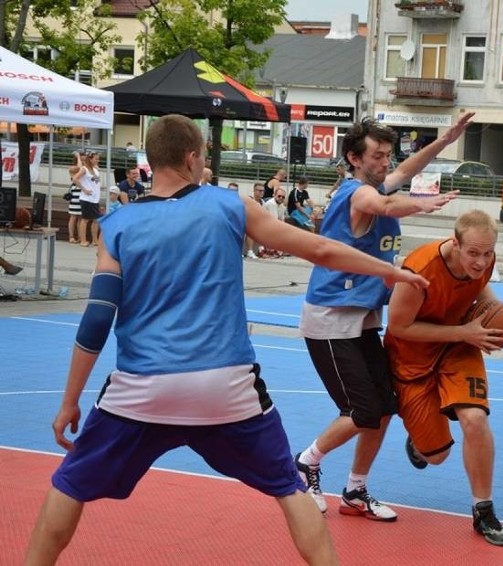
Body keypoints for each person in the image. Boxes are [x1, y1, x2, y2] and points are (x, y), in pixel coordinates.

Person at [24, 113, 429, 565]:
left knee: (70, 484)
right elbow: (319, 250)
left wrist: (69, 401)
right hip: (226, 388)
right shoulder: (229, 205)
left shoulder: (118, 225)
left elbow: (97, 320)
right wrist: (390, 270)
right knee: (289, 489)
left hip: (142, 390)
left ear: (150, 160)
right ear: (193, 158)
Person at [293, 113, 470, 521]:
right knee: (361, 411)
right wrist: (422, 204)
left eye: (388, 155)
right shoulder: (357, 195)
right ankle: (305, 463)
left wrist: (445, 141)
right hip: (331, 317)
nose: (386, 162)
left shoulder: (377, 184)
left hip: (362, 316)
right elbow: (385, 203)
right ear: (354, 158)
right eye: (377, 155)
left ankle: (356, 489)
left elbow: (408, 170)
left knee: (385, 408)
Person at [384, 210, 503, 546]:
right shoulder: (420, 269)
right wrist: (463, 332)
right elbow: (398, 326)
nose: (482, 262)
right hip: (412, 357)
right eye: (473, 253)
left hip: (458, 347)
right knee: (436, 456)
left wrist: (497, 314)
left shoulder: (482, 260)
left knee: (475, 420)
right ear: (454, 244)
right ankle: (420, 440)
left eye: (487, 253)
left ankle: (483, 510)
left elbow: (481, 290)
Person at [73, 151, 102, 247]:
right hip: (87, 198)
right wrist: (84, 189)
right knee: (85, 219)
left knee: (96, 220)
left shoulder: (96, 169)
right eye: (96, 159)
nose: (97, 160)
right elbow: (75, 178)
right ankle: (83, 240)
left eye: (98, 159)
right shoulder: (84, 169)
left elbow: (96, 182)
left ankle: (95, 240)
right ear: (90, 159)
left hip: (95, 198)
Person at [67, 154, 83, 243]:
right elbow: (79, 169)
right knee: (73, 216)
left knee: (81, 217)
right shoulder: (73, 169)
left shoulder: (85, 170)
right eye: (81, 160)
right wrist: (78, 157)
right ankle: (71, 236)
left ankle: (80, 236)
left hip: (82, 194)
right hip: (76, 193)